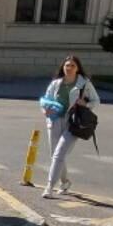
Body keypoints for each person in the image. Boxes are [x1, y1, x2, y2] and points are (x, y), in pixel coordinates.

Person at [40, 54, 100, 199]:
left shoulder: (84, 83)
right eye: (67, 65)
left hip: (73, 122)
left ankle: (49, 187)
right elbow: (45, 100)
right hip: (54, 120)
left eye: (72, 65)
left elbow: (96, 100)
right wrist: (44, 110)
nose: (69, 68)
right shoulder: (56, 83)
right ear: (63, 67)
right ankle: (65, 182)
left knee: (59, 153)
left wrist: (85, 104)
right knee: (56, 154)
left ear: (78, 68)